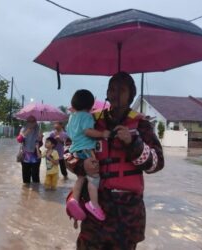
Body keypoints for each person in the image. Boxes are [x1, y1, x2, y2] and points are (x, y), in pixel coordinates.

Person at [65, 72, 164, 249]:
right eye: (112, 89)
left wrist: (133, 143)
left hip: (128, 215)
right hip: (95, 212)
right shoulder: (91, 121)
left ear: (131, 94)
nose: (116, 93)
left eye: (122, 89)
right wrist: (82, 165)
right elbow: (68, 151)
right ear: (107, 93)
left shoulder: (141, 124)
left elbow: (156, 164)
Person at [66, 89, 110, 221]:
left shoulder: (72, 117)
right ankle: (94, 204)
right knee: (94, 177)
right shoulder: (87, 116)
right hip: (86, 149)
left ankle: (74, 199)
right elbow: (87, 131)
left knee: (81, 177)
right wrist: (102, 134)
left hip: (75, 150)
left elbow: (70, 132)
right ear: (90, 105)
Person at [16, 116, 43, 184]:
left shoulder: (38, 130)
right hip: (25, 156)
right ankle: (25, 193)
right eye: (29, 121)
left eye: (33, 121)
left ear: (35, 122)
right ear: (27, 122)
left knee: (35, 177)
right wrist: (26, 132)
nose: (31, 123)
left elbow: (41, 144)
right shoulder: (23, 129)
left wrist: (40, 138)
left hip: (36, 156)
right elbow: (19, 140)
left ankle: (36, 193)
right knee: (26, 178)